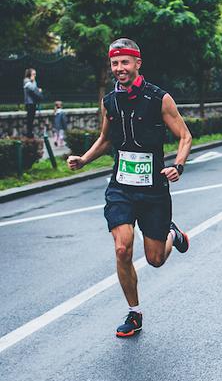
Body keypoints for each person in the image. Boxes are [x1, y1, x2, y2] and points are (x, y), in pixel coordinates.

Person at [67, 38, 193, 339]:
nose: (119, 68)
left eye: (125, 62)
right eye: (114, 63)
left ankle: (171, 234)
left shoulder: (159, 99)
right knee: (122, 248)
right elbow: (107, 138)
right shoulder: (110, 101)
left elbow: (185, 136)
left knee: (155, 260)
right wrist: (84, 159)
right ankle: (134, 313)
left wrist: (178, 165)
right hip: (121, 186)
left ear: (138, 63)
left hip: (153, 190)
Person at [23, 68, 43, 137]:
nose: (35, 75)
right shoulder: (26, 81)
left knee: (31, 119)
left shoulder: (32, 81)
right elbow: (33, 89)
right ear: (30, 74)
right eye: (34, 74)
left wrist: (37, 88)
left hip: (33, 102)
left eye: (35, 74)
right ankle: (29, 133)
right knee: (30, 119)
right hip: (29, 103)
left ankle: (30, 133)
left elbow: (35, 89)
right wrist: (34, 82)